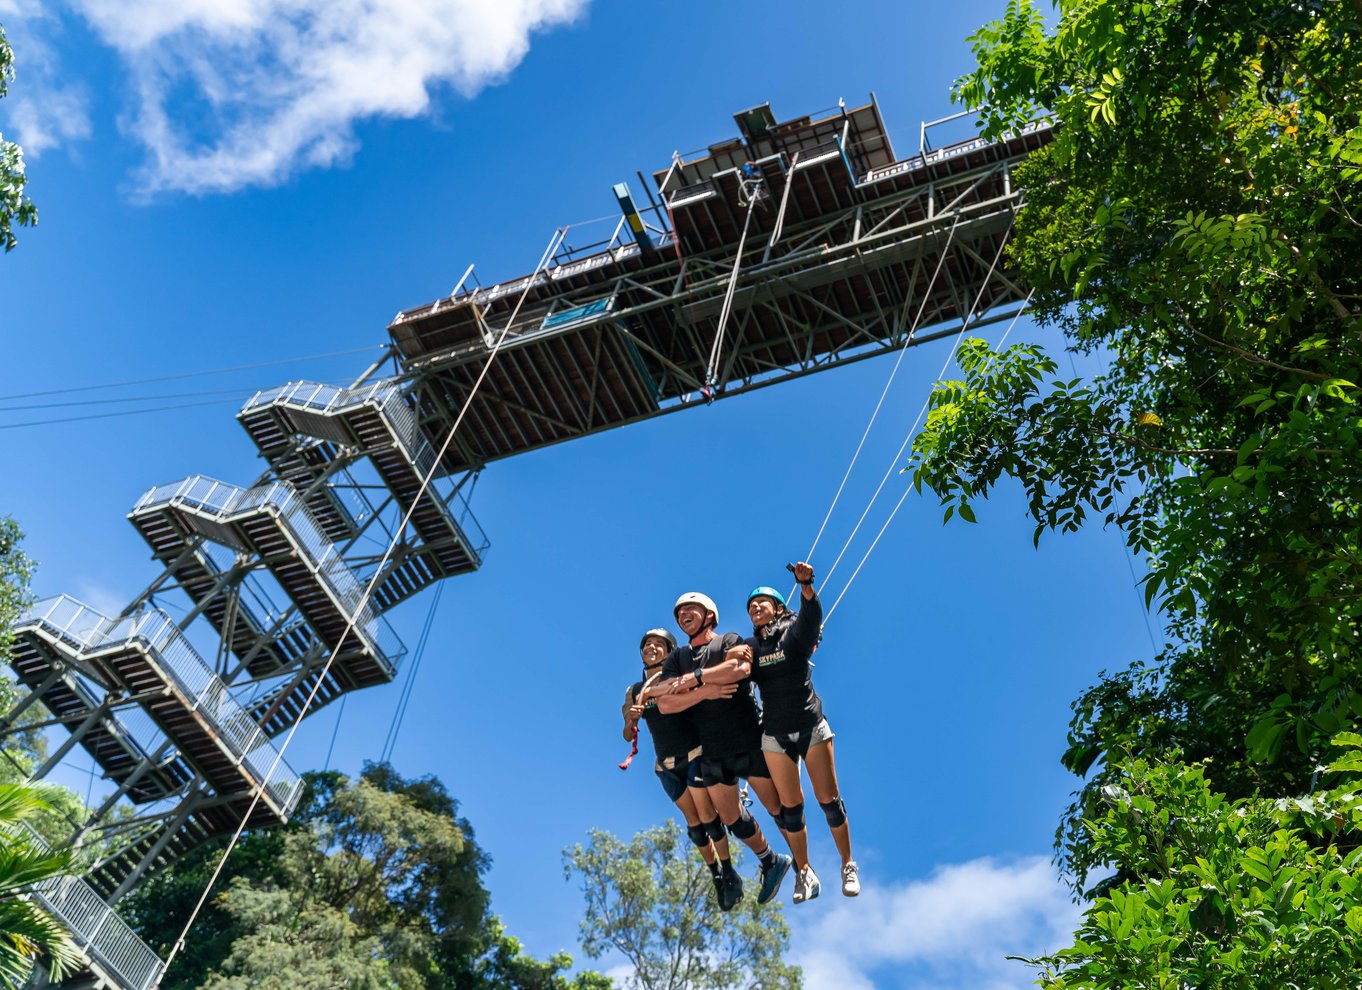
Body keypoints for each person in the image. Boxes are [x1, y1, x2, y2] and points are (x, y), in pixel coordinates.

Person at [656, 592, 793, 907]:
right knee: (731, 818)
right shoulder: (676, 658)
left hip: (748, 740)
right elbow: (664, 702)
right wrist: (707, 692)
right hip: (714, 751)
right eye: (679, 612)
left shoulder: (728, 640)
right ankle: (772, 861)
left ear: (708, 615)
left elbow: (739, 670)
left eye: (691, 609)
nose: (683, 615)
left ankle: (804, 865)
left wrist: (695, 679)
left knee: (779, 809)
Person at [745, 561, 858, 901]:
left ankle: (847, 863)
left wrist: (806, 586)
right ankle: (805, 873)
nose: (753, 608)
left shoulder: (792, 632)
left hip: (810, 726)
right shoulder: (751, 649)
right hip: (776, 733)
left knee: (829, 802)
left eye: (760, 602)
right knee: (790, 810)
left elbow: (811, 619)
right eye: (750, 606)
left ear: (778, 608)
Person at [622, 626, 737, 909]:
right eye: (647, 644)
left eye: (658, 644)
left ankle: (728, 869)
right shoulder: (635, 691)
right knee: (695, 827)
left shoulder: (678, 678)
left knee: (709, 819)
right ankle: (717, 877)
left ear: (669, 651)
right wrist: (631, 719)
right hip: (666, 766)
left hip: (695, 755)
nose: (651, 648)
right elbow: (627, 733)